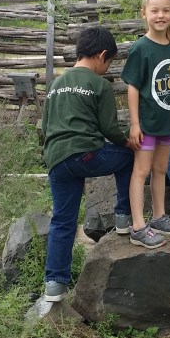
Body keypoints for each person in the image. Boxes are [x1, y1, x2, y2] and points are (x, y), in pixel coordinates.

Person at [41, 26, 135, 302]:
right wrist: (127, 142)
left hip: (57, 159)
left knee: (63, 220)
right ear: (102, 55)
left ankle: (54, 285)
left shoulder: (56, 84)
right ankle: (122, 218)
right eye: (110, 62)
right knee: (128, 158)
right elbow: (109, 129)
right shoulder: (99, 85)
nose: (107, 68)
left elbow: (46, 127)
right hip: (86, 155)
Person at [121, 0, 170, 247]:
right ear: (144, 13)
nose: (160, 15)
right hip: (147, 124)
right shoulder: (141, 48)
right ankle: (138, 227)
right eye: (154, 10)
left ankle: (160, 216)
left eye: (165, 10)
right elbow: (133, 86)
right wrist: (135, 124)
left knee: (161, 169)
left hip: (166, 123)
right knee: (142, 171)